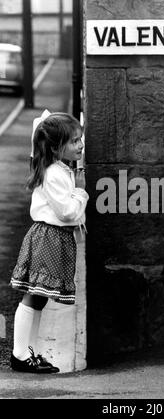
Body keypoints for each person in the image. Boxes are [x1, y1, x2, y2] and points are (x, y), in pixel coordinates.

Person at [10, 112, 89, 373]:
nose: (81, 145)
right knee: (33, 296)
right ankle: (20, 355)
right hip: (49, 237)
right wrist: (80, 190)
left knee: (39, 298)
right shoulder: (54, 173)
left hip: (55, 238)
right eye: (75, 141)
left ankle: (29, 353)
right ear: (56, 147)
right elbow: (67, 212)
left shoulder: (59, 169)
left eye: (80, 139)